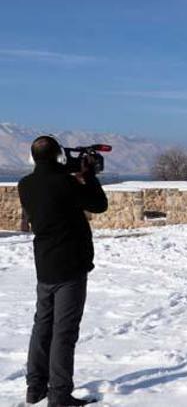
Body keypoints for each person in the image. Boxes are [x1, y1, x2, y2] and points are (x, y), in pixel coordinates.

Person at [18, 136, 108, 407]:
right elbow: (99, 205)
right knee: (64, 332)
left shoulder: (25, 184)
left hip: (44, 266)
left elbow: (51, 187)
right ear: (59, 155)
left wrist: (70, 173)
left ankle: (35, 388)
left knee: (42, 327)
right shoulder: (65, 183)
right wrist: (88, 175)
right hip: (70, 266)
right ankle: (59, 395)